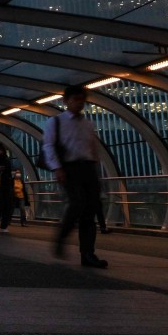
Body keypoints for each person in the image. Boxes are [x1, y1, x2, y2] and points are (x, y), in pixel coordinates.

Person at [43, 85, 108, 268]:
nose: (80, 103)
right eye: (76, 99)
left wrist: (96, 167)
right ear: (66, 101)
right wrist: (57, 168)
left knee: (91, 210)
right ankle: (61, 237)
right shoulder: (55, 122)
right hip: (69, 168)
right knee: (78, 203)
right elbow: (48, 146)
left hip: (88, 168)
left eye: (82, 100)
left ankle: (88, 254)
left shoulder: (87, 124)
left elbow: (92, 147)